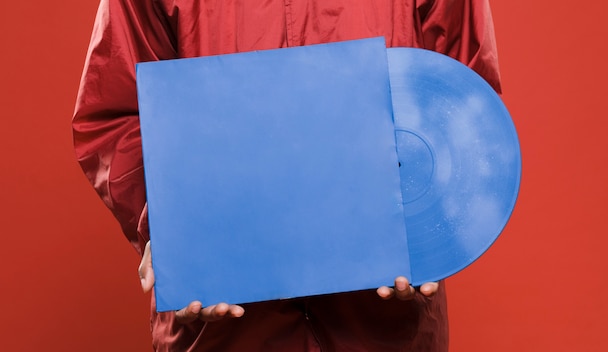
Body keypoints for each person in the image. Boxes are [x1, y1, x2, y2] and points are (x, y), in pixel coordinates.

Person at [73, 0, 501, 351]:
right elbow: (115, 115)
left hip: (386, 327)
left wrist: (431, 240)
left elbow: (466, 103)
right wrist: (180, 237)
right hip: (221, 333)